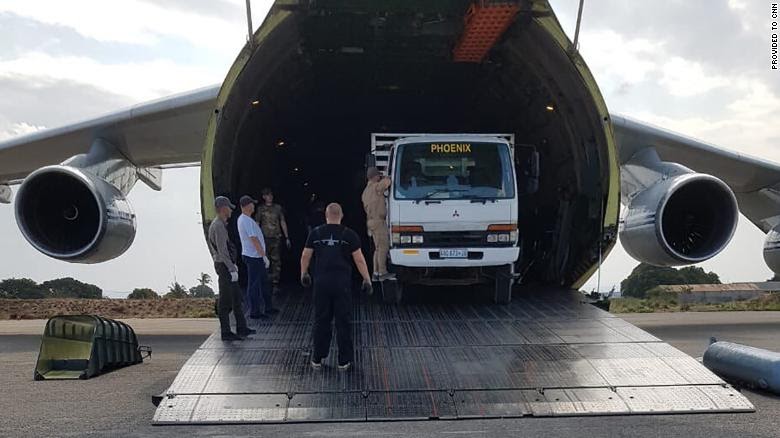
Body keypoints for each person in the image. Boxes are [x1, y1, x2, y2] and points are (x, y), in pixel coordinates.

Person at [300, 203, 372, 371]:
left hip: (321, 283)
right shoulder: (349, 235)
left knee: (321, 320)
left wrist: (304, 274)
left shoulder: (315, 233)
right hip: (342, 284)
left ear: (326, 215)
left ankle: (317, 358)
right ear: (341, 215)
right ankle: (343, 361)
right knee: (343, 321)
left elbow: (305, 255)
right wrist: (367, 279)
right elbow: (359, 259)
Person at [207, 196, 255, 341]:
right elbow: (222, 251)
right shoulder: (218, 226)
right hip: (224, 266)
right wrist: (231, 268)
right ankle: (226, 332)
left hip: (226, 265)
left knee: (236, 298)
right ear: (222, 209)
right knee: (225, 300)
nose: (231, 210)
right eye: (228, 207)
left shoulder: (221, 224)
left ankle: (242, 328)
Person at [237, 195, 277, 319]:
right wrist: (263, 256)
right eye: (252, 204)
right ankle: (255, 311)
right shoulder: (246, 220)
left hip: (254, 255)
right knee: (254, 284)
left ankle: (268, 307)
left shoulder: (245, 219)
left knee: (264, 282)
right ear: (248, 205)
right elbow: (254, 239)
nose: (254, 206)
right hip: (253, 256)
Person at [254, 188, 291, 293]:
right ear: (264, 197)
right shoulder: (261, 209)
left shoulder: (278, 208)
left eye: (270, 195)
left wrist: (287, 237)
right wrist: (256, 238)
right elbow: (257, 223)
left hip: (276, 238)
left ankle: (275, 283)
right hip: (264, 238)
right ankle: (265, 283)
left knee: (276, 260)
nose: (270, 197)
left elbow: (282, 221)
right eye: (267, 195)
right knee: (265, 261)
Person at [361, 167, 392, 280]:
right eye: (378, 175)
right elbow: (387, 182)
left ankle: (375, 272)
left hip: (371, 221)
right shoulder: (376, 187)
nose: (379, 177)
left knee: (377, 248)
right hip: (379, 221)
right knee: (383, 247)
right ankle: (383, 272)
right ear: (375, 177)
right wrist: (387, 177)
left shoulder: (365, 191)